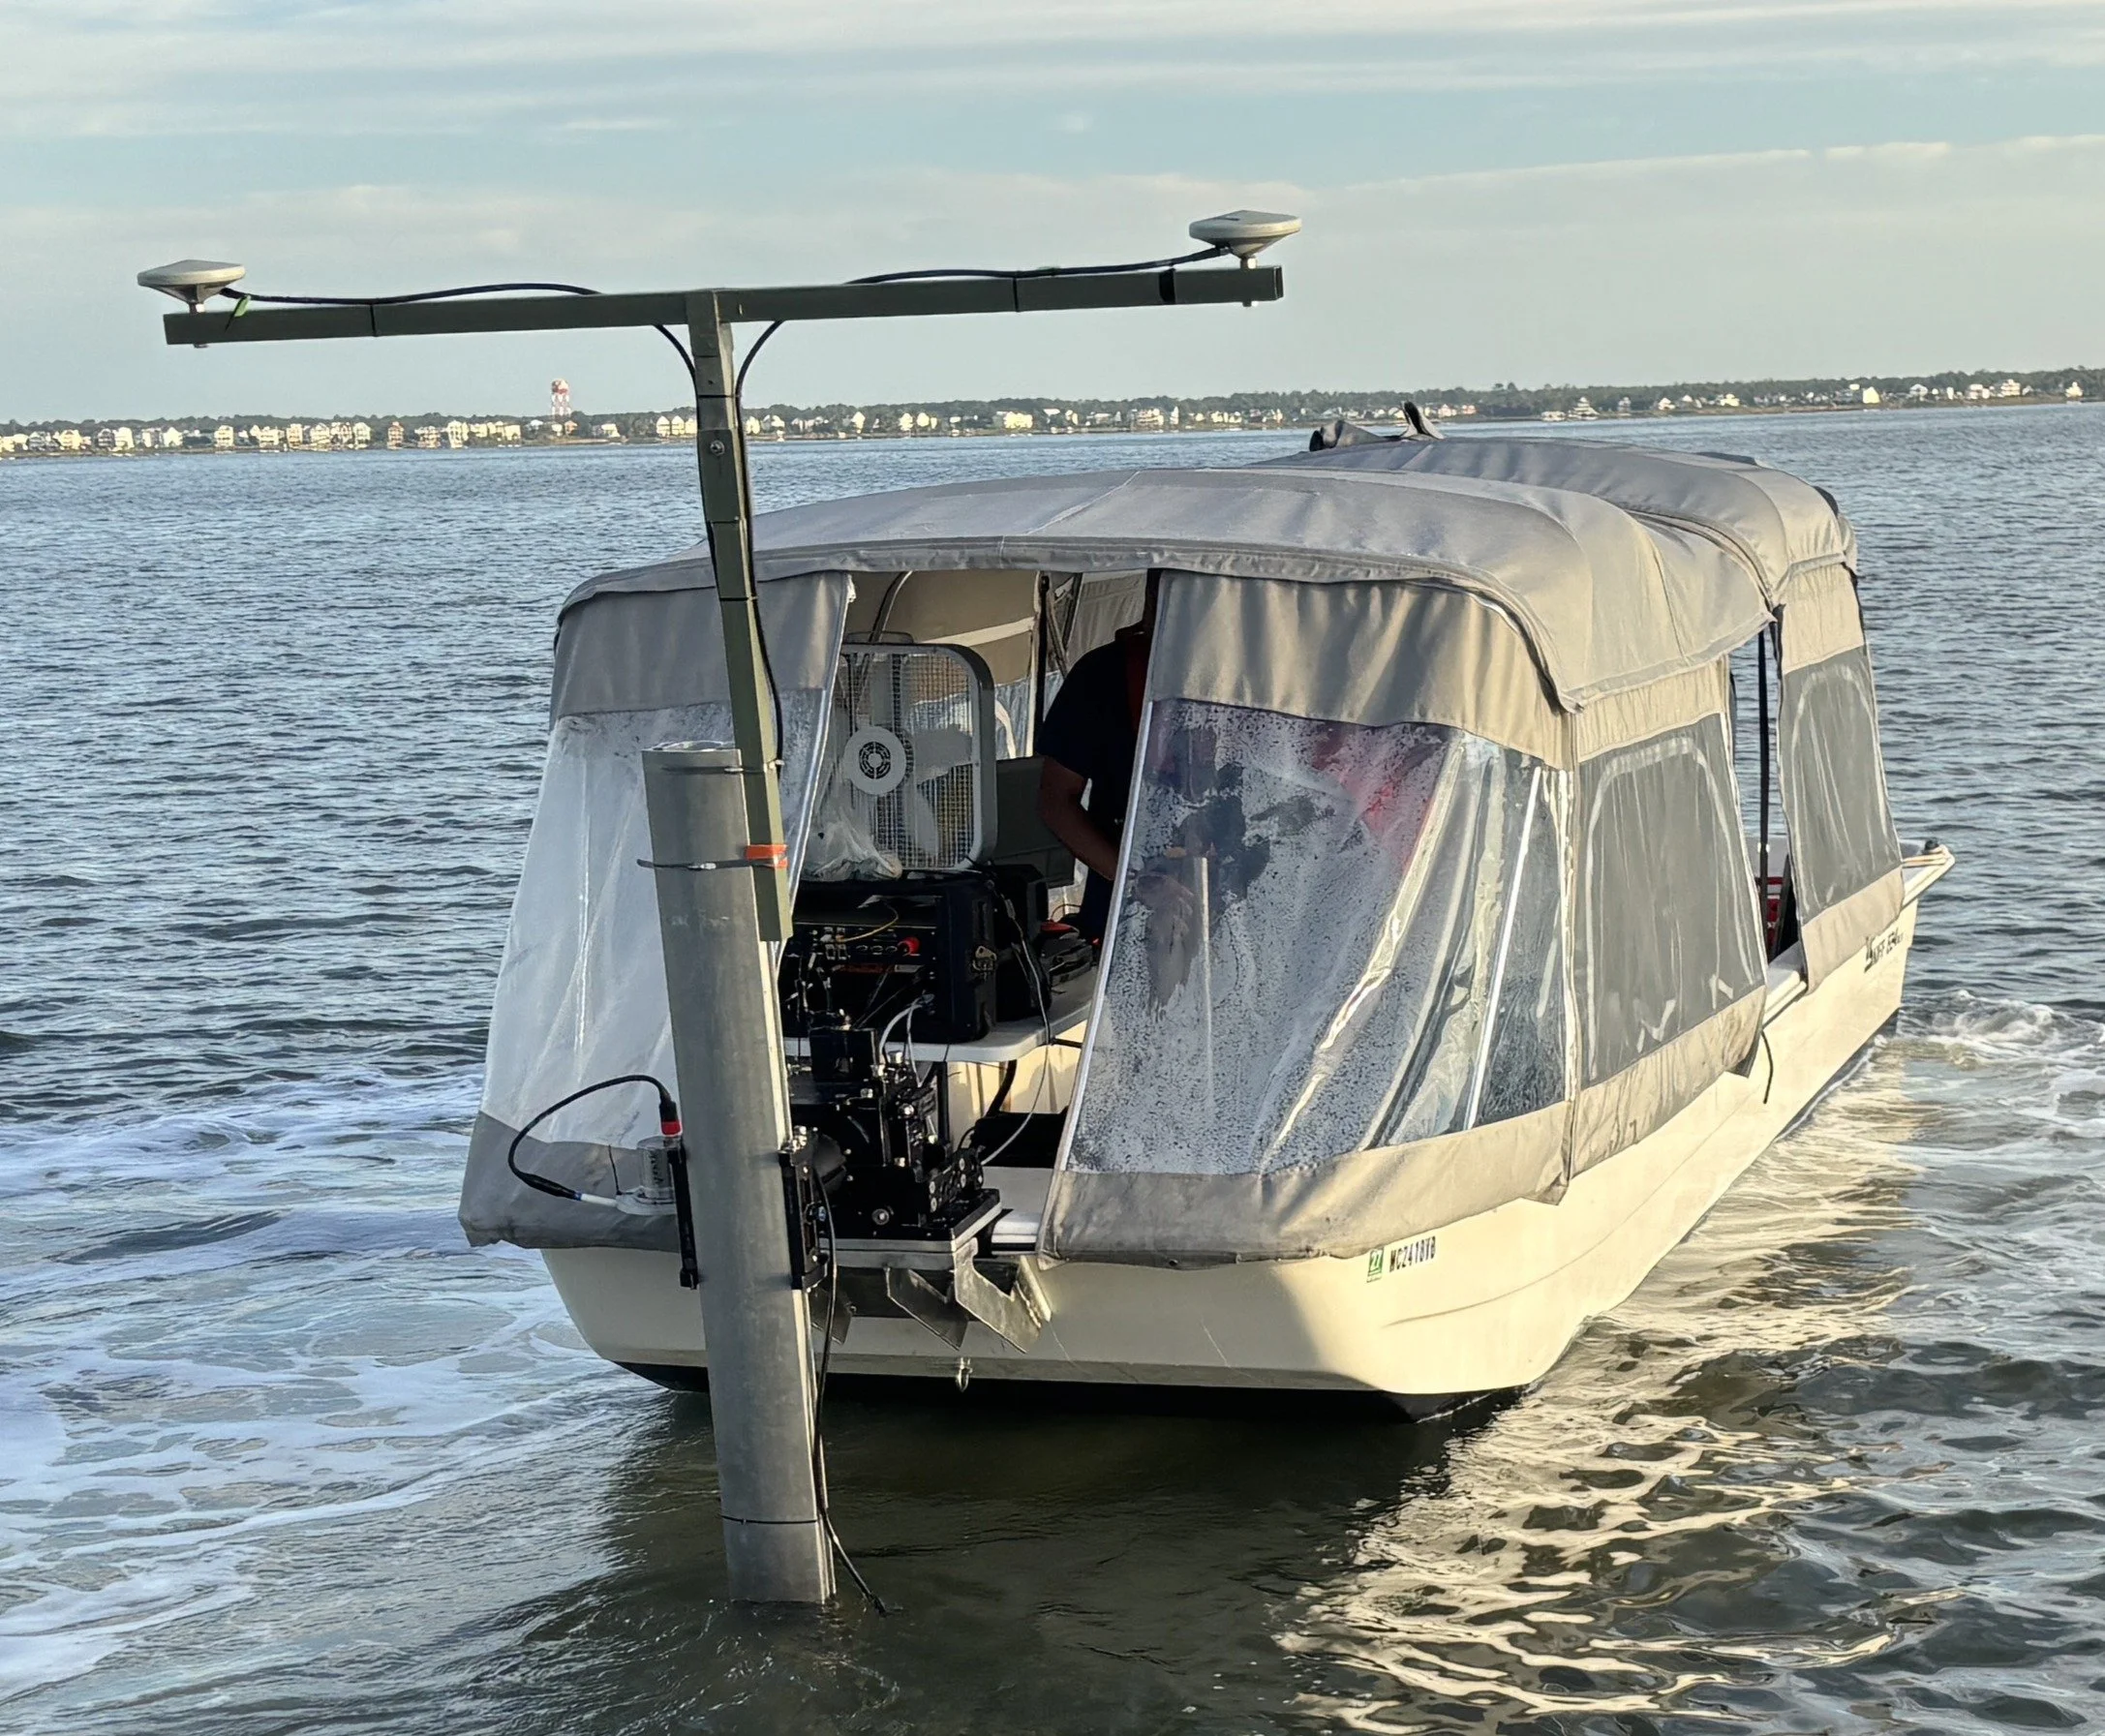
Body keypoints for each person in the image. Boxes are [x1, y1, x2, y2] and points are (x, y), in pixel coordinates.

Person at [1036, 572, 1159, 942]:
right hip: (1125, 915)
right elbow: (1056, 799)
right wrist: (1133, 882)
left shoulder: (1262, 678)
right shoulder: (1104, 674)